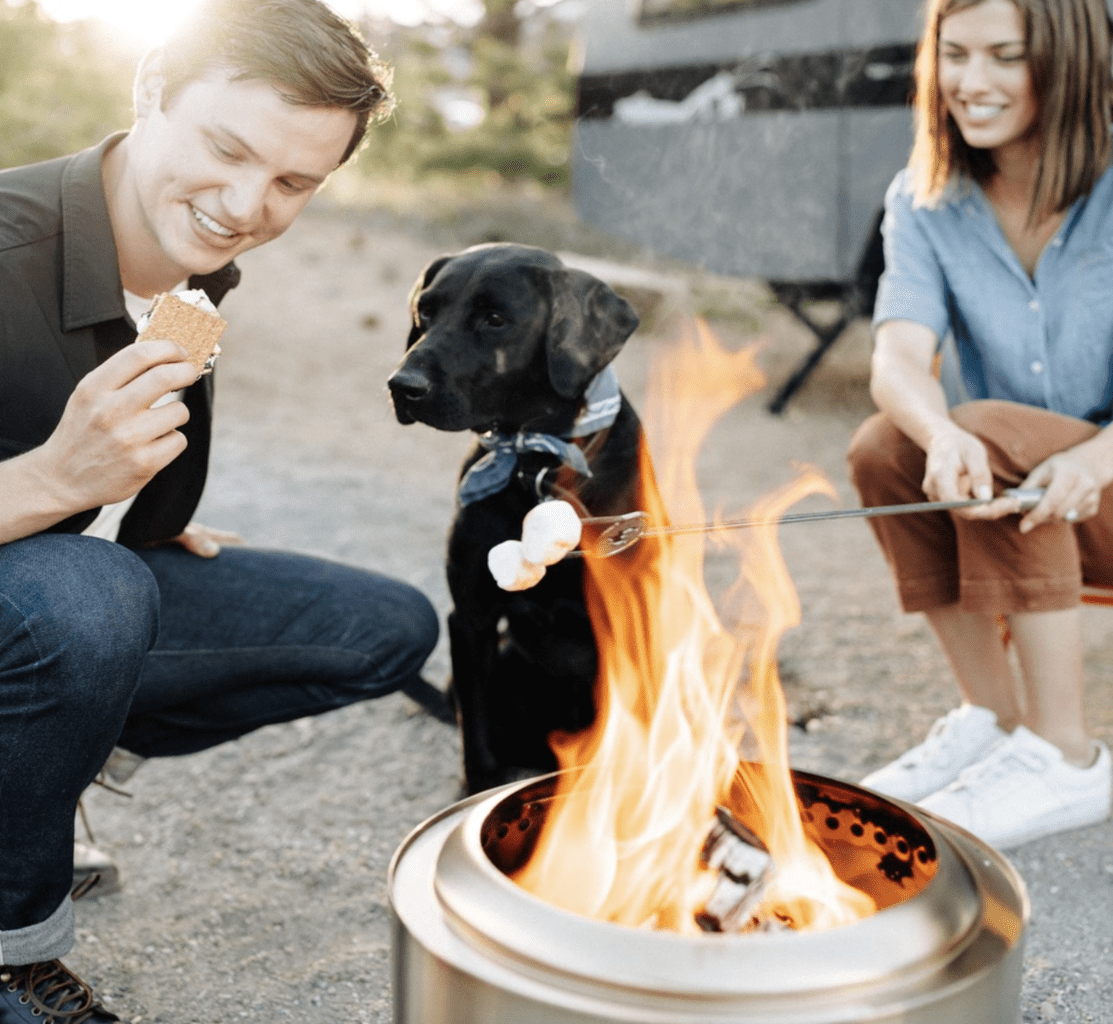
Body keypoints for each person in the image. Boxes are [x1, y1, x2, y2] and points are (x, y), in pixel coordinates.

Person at [0, 1, 440, 1019]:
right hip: (47, 595)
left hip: (43, 591)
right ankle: (14, 954)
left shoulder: (191, 257)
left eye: (295, 182)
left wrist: (141, 519)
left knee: (383, 629)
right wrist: (59, 485)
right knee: (87, 597)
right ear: (149, 93)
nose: (247, 204)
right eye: (226, 148)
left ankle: (45, 752)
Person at [847, 0, 1113, 851]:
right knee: (886, 445)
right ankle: (992, 719)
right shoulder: (925, 198)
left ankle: (1065, 756)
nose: (971, 82)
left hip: (1102, 488)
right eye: (953, 55)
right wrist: (941, 435)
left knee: (986, 424)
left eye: (1005, 56)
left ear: (1066, 60)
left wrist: (1101, 458)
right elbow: (895, 361)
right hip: (1027, 496)